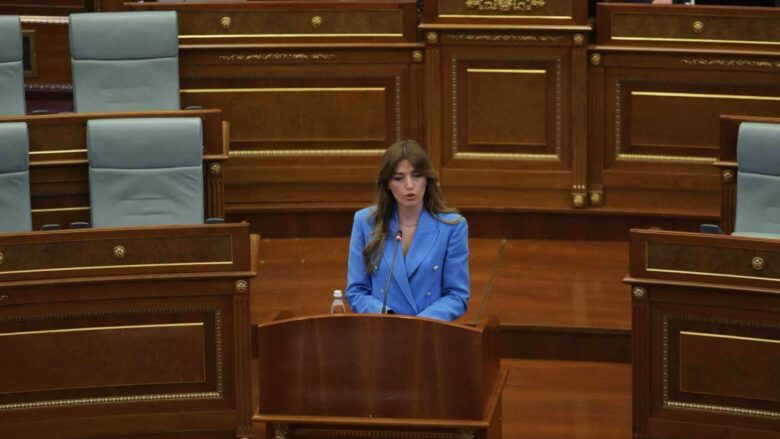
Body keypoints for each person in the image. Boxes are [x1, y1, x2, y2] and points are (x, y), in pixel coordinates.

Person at [345, 140, 469, 322]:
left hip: (429, 330)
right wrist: (390, 318)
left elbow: (457, 295)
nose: (409, 185)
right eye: (399, 178)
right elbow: (356, 292)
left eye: (417, 176)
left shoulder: (452, 226)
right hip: (383, 328)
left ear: (427, 179)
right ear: (387, 183)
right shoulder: (365, 222)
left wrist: (418, 325)